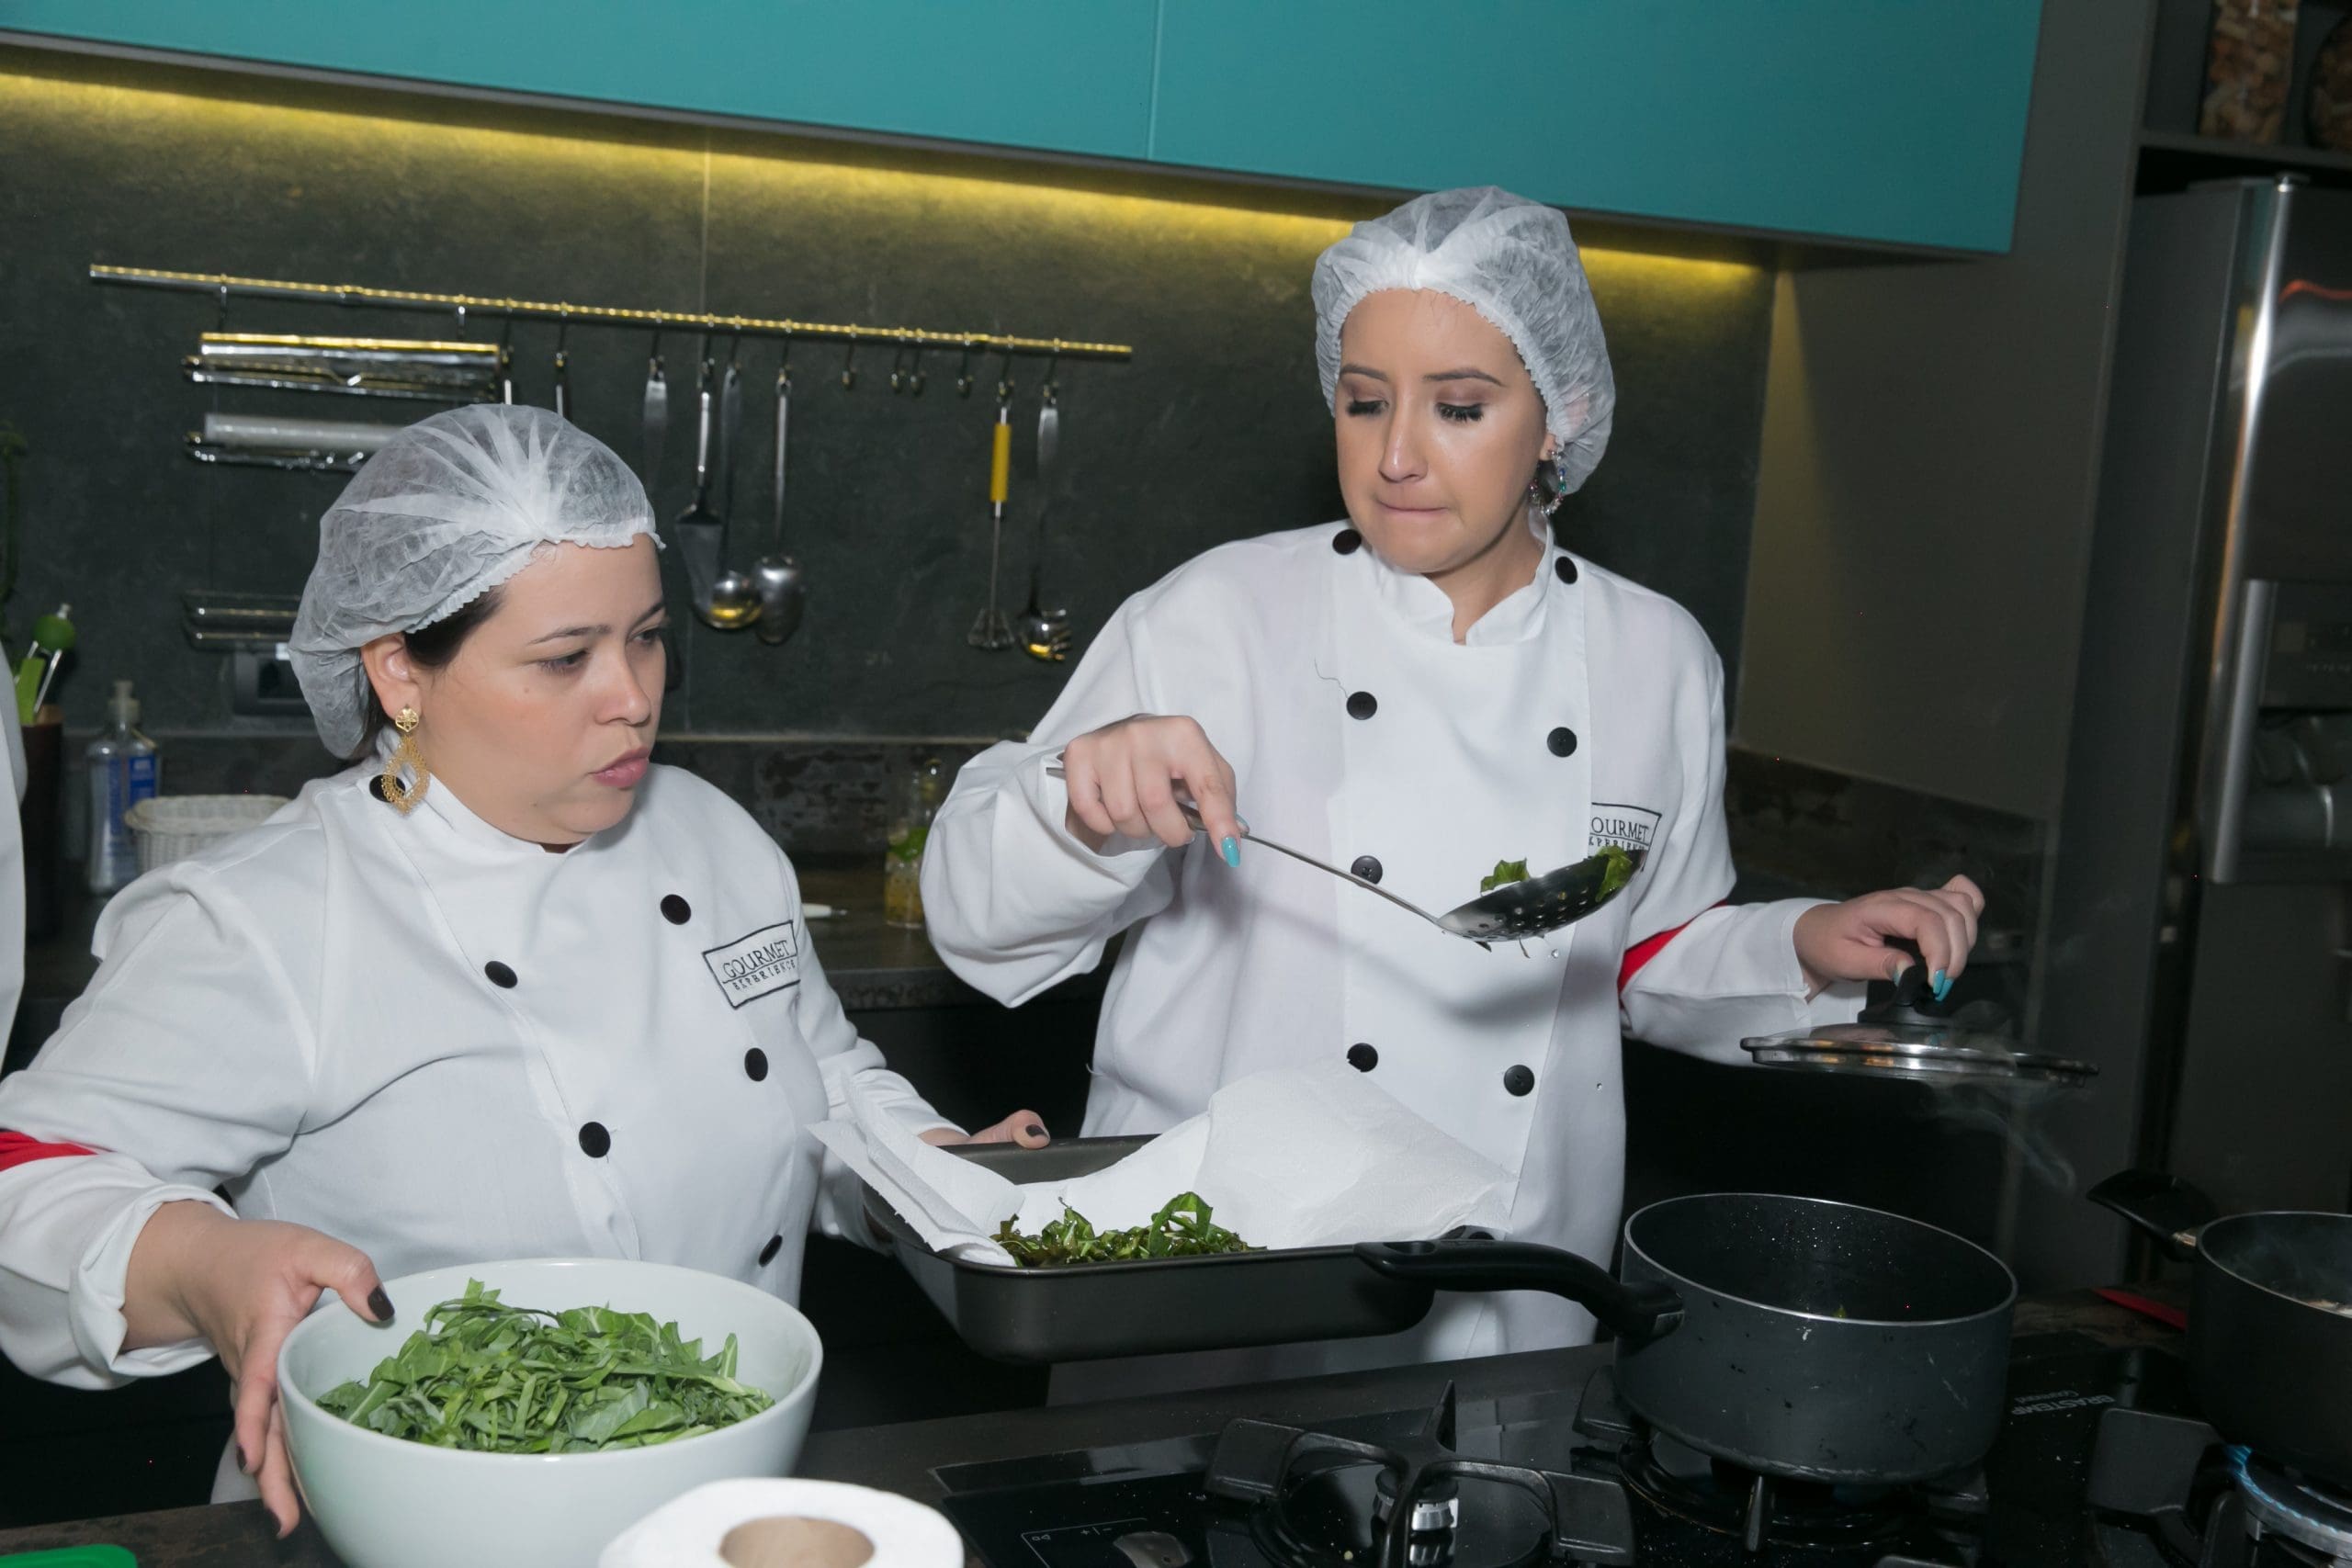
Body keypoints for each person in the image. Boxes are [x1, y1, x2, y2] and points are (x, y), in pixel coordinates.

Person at [921, 187, 1981, 1390]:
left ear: (1558, 420)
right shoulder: (1217, 616)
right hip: (1217, 1293)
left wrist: (1806, 949)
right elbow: (973, 919)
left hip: (1510, 1290)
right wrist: (1077, 809)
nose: (1396, 456)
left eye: (1460, 407)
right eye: (1364, 401)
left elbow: (1639, 952)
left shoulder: (1655, 654)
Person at [0, 407, 1044, 1531]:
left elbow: (819, 1074)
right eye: (565, 658)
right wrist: (204, 1264)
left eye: (647, 637)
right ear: (399, 673)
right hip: (410, 1525)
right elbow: (28, 1177)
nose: (632, 695)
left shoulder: (711, 834)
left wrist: (928, 1170)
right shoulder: (272, 911)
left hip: (725, 1501)